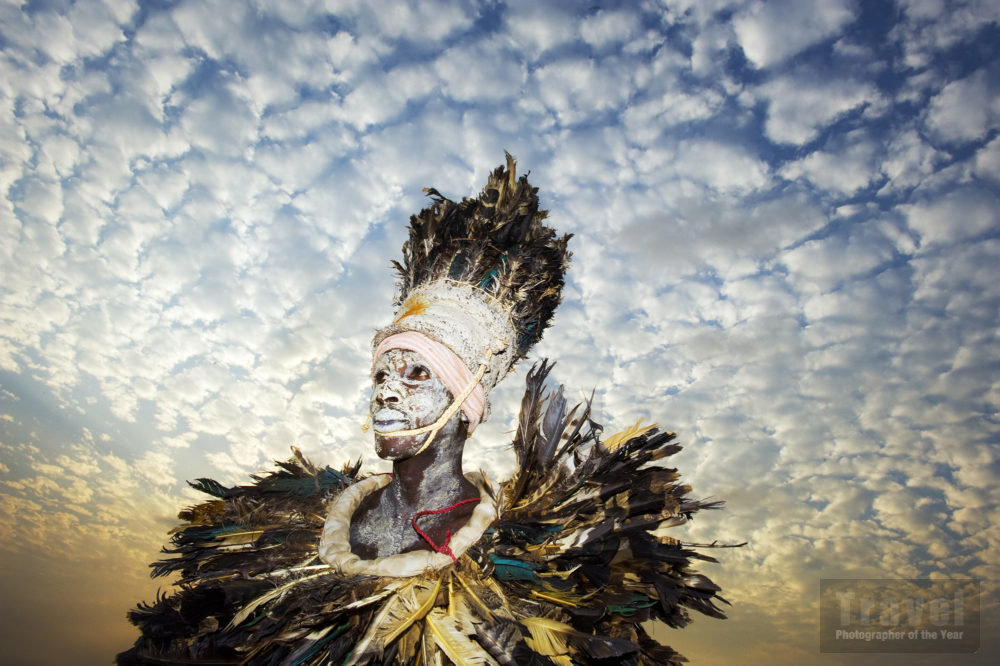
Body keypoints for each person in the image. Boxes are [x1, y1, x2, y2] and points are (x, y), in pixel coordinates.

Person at [118, 155, 732, 665]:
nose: (387, 391)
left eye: (417, 374)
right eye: (382, 373)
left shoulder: (530, 566)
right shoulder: (290, 522)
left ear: (466, 401)